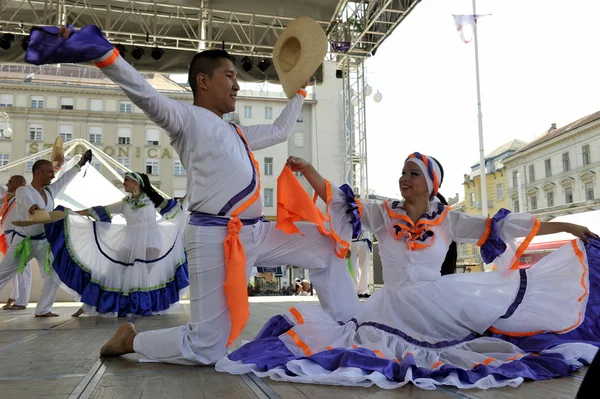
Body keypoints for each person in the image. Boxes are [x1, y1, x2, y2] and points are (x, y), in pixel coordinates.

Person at [37, 25, 358, 363]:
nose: (237, 84)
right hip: (214, 237)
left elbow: (280, 130)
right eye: (229, 76)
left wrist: (300, 95)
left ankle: (348, 326)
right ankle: (131, 340)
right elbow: (144, 92)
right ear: (203, 81)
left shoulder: (238, 133)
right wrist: (102, 53)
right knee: (208, 348)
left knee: (328, 244)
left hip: (258, 232)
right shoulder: (186, 119)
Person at [215, 153, 600, 390]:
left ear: (430, 184)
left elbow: (508, 227)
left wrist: (566, 227)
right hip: (392, 304)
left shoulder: (450, 220)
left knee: (459, 352)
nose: (405, 178)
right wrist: (309, 171)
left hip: (439, 303)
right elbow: (337, 198)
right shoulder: (384, 214)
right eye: (403, 171)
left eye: (413, 173)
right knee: (370, 345)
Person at [47, 171, 188, 318]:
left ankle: (140, 307)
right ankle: (89, 306)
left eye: (126, 180)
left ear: (136, 183)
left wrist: (190, 191)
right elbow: (100, 210)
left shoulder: (153, 200)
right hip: (130, 241)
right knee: (113, 272)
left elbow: (175, 209)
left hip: (152, 241)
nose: (123, 183)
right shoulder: (125, 202)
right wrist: (72, 213)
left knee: (141, 276)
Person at [0, 151, 91, 317]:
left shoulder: (50, 191)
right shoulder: (23, 190)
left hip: (43, 243)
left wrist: (79, 165)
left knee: (54, 274)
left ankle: (43, 309)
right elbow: (25, 200)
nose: (52, 174)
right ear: (37, 172)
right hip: (23, 242)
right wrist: (32, 207)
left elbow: (64, 180)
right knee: (3, 274)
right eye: (49, 171)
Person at [0, 175, 32, 310]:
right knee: (13, 270)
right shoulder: (8, 198)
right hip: (9, 236)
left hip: (19, 234)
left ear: (19, 183)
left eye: (10, 182)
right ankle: (14, 297)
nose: (7, 185)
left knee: (23, 269)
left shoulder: (26, 194)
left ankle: (21, 302)